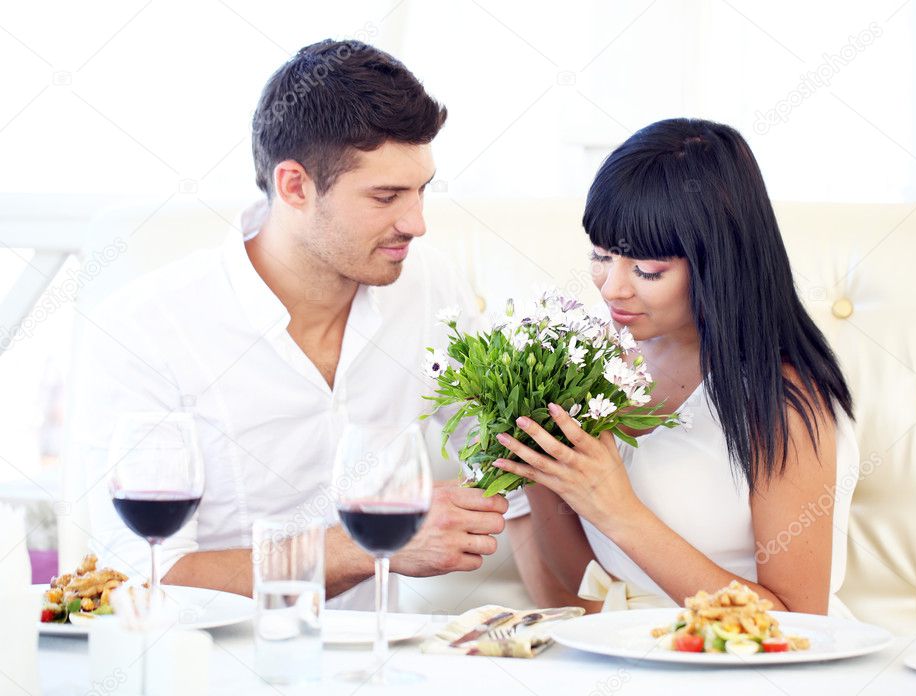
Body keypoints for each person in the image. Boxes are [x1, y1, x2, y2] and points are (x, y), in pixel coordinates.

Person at [67, 39, 507, 608]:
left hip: (381, 666)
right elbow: (144, 576)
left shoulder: (428, 286)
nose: (417, 223)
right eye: (385, 196)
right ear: (294, 186)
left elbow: (502, 449)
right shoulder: (145, 331)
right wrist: (365, 547)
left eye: (420, 190)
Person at [501, 118, 859, 615]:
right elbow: (581, 580)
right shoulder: (595, 367)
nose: (612, 288)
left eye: (648, 270)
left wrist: (621, 512)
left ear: (718, 261)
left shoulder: (783, 399)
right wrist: (537, 462)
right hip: (621, 652)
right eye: (601, 256)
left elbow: (799, 625)